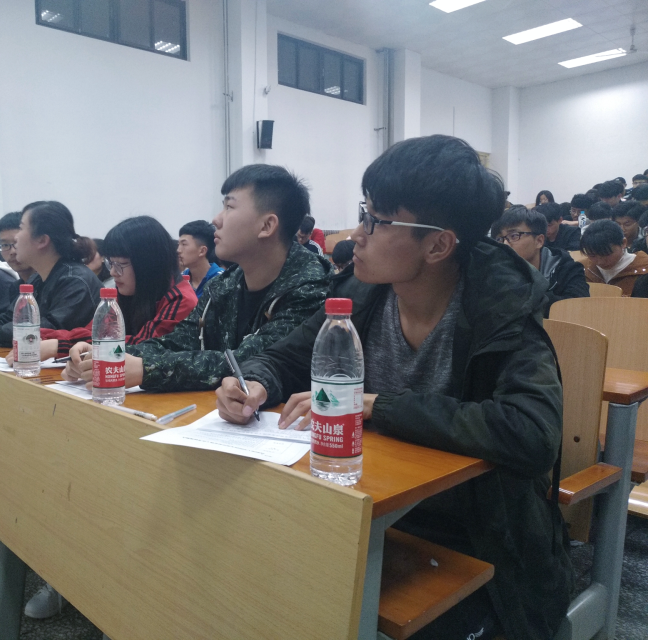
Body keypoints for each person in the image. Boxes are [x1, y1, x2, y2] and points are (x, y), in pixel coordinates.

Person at [216, 135, 574, 640]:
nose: (357, 235)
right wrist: (255, 382)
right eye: (363, 214)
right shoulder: (363, 292)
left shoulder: (501, 308)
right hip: (362, 507)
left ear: (438, 245)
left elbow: (532, 433)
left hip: (478, 539)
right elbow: (287, 356)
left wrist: (380, 407)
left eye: (376, 221)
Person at [63, 164, 332, 392]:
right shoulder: (225, 284)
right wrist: (106, 356)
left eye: (229, 207)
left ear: (267, 225)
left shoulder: (312, 287)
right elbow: (178, 341)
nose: (216, 219)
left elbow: (251, 361)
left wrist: (147, 369)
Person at [35, 216, 198, 361]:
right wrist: (41, 336)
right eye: (111, 263)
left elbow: (143, 347)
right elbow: (95, 332)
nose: (113, 272)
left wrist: (60, 345)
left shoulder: (181, 299)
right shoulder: (129, 292)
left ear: (148, 265)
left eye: (120, 264)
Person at [0, 201, 102, 344]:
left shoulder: (75, 281)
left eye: (21, 228)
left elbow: (49, 330)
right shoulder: (36, 279)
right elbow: (9, 320)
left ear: (42, 240)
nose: (16, 238)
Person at [491, 206, 588, 316]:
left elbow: (580, 309)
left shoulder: (566, 268)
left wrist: (524, 294)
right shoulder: (493, 270)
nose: (505, 244)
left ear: (539, 241)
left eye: (514, 236)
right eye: (499, 239)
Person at [577, 219, 648, 296]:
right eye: (592, 255)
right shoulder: (580, 269)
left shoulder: (644, 267)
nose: (600, 262)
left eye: (606, 254)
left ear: (623, 243)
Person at [178, 220, 223, 298]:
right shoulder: (180, 279)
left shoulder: (222, 280)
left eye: (184, 244)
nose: (178, 250)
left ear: (202, 251)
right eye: (178, 244)